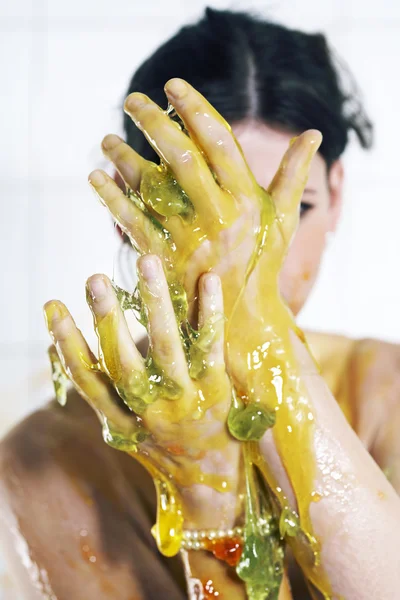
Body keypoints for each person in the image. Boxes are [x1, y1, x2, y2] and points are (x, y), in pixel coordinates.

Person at [1, 8, 400, 600]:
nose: (249, 271)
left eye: (293, 212)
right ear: (128, 212)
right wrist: (208, 496)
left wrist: (255, 340)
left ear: (337, 194)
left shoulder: (388, 393)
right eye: (197, 215)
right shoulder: (43, 462)